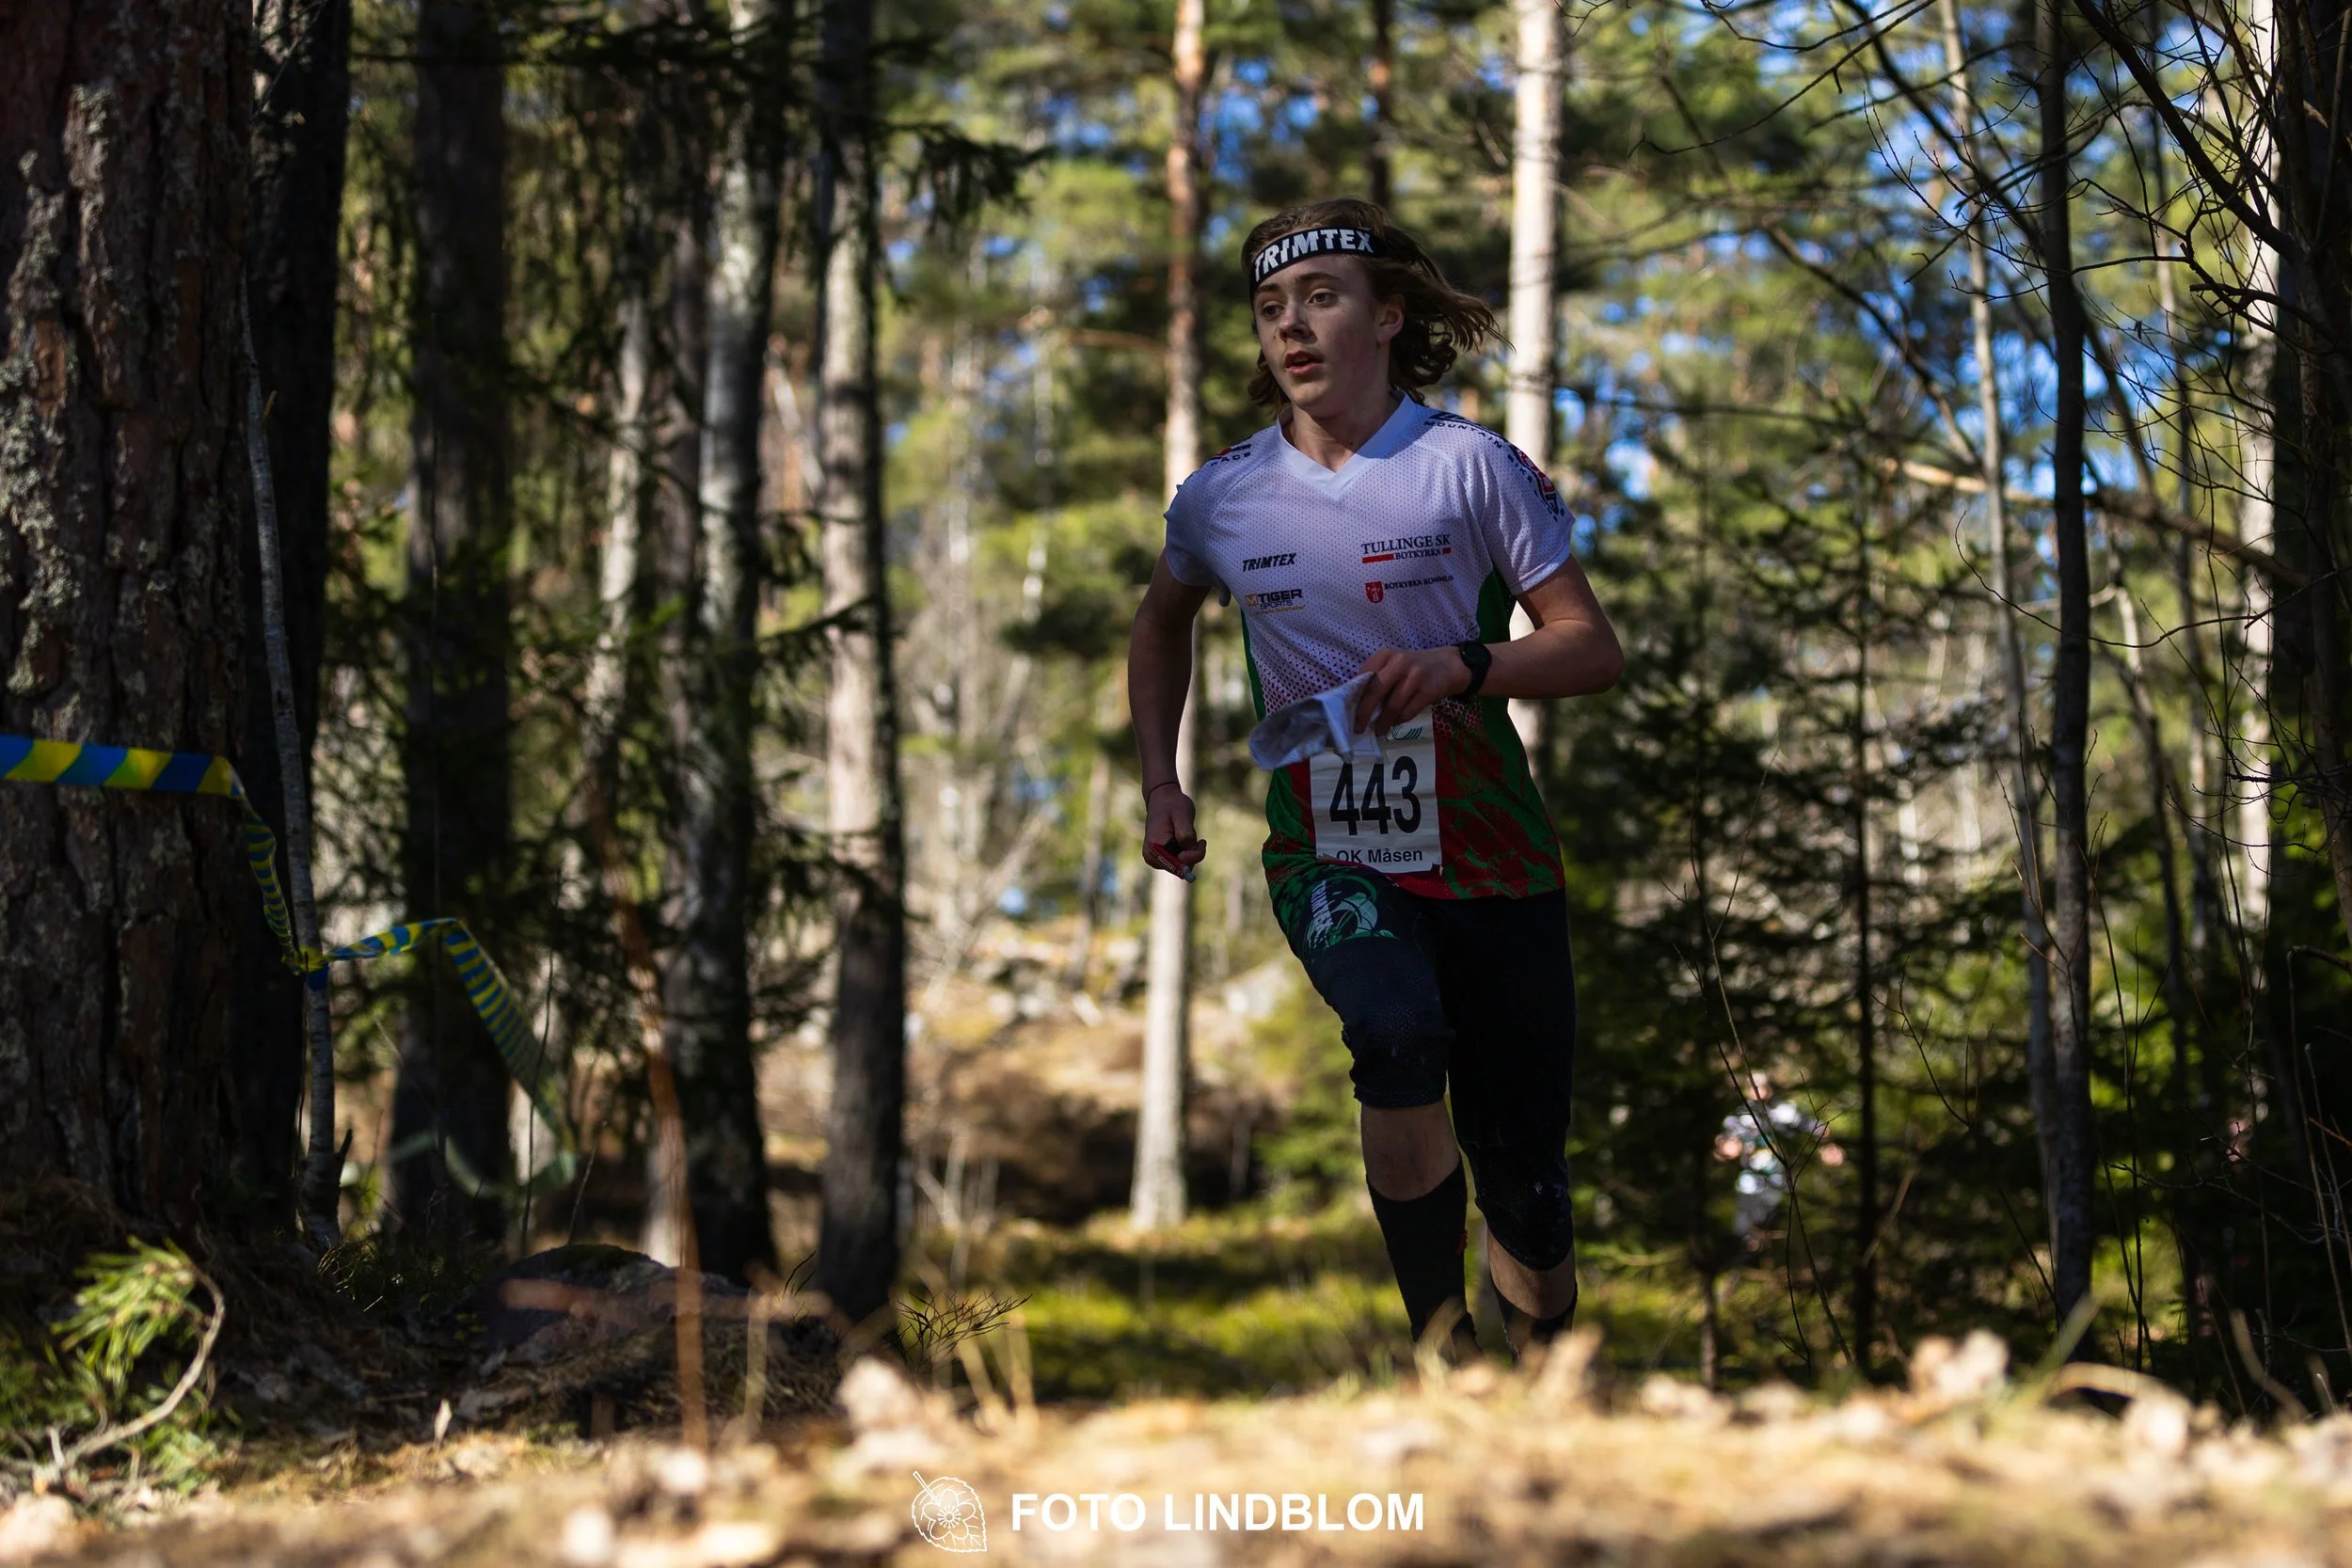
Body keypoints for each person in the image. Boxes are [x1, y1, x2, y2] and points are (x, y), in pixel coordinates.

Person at [1126, 198, 1623, 1359]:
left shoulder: (1471, 468)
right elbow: (1159, 625)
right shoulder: (1221, 495)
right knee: (1393, 1036)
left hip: (1494, 851)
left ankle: (1541, 1377)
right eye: (1269, 307)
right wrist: (1162, 780)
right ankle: (1443, 1353)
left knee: (1526, 1184)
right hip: (1332, 848)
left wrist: (1463, 665)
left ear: (1389, 316)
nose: (1291, 326)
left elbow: (1589, 648)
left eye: (1321, 297)